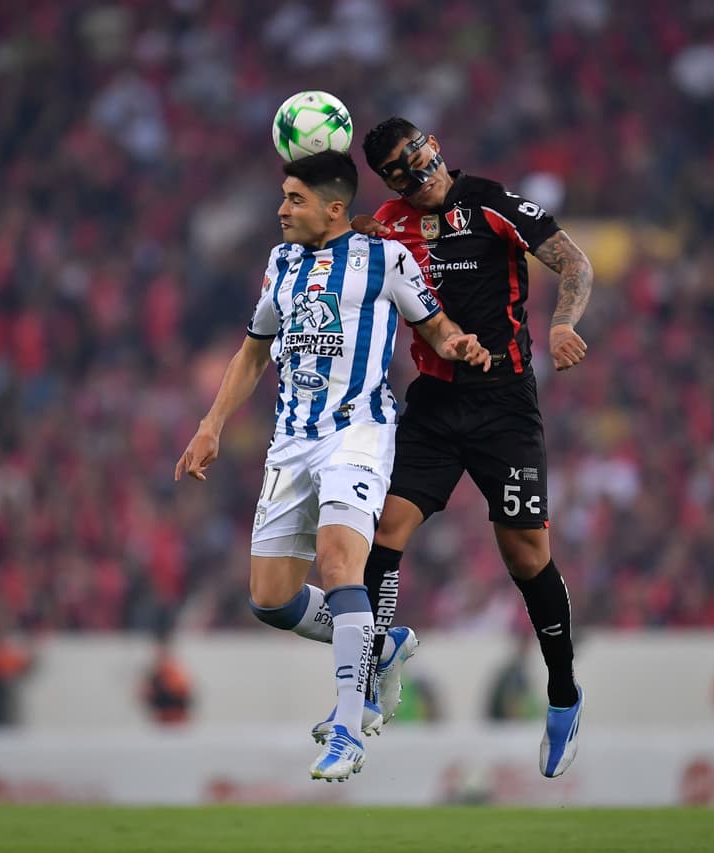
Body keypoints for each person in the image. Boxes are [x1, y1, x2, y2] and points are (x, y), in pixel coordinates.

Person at [175, 150, 490, 782]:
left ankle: (349, 725)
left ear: (334, 208)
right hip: (291, 442)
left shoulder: (386, 259)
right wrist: (211, 425)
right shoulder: (281, 263)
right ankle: (382, 643)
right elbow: (252, 353)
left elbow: (434, 326)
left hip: (358, 432)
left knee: (341, 562)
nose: (281, 209)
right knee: (269, 599)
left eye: (294, 199)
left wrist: (456, 341)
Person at [349, 117, 593, 777]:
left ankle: (564, 692)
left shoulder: (491, 201)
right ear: (392, 179)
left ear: (435, 146)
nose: (420, 169)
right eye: (404, 166)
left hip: (505, 405)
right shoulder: (387, 223)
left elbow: (573, 259)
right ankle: (371, 663)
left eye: (421, 153)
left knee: (525, 555)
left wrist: (564, 319)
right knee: (386, 531)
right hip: (434, 403)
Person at [140, 638, 194, 725]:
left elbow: (182, 693)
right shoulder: (155, 674)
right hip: (161, 717)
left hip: (176, 717)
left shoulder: (175, 673)